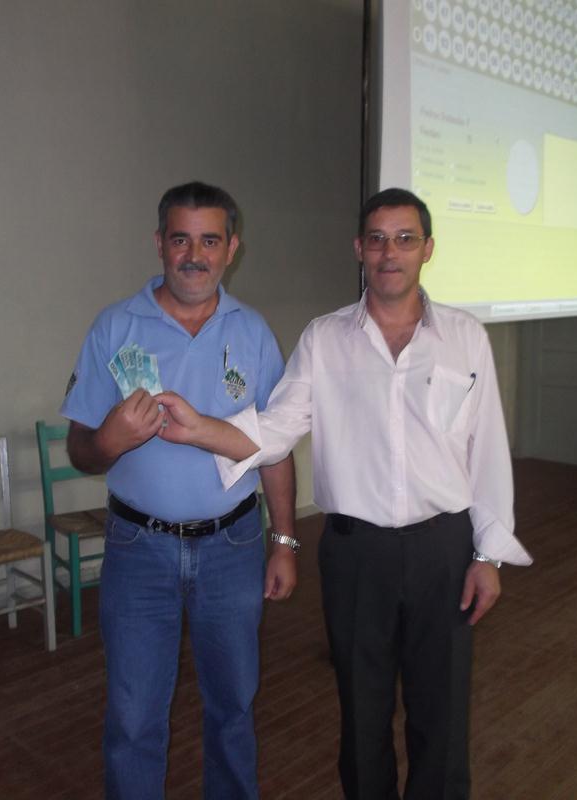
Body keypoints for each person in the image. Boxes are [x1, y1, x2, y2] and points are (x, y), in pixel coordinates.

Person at [156, 188, 533, 799]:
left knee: (443, 714)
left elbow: (485, 449)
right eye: (377, 239)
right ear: (360, 249)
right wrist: (200, 428)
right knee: (362, 716)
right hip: (357, 555)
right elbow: (276, 430)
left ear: (427, 249)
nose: (390, 253)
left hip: (443, 549)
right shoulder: (325, 339)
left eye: (405, 239)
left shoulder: (464, 338)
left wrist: (488, 555)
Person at [60, 181, 297, 800]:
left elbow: (274, 447)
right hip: (139, 548)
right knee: (134, 718)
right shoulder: (115, 326)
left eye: (210, 241)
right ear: (160, 243)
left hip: (234, 547)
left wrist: (284, 541)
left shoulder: (254, 333)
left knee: (234, 708)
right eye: (181, 240)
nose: (195, 255)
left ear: (232, 248)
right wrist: (109, 439)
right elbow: (80, 451)